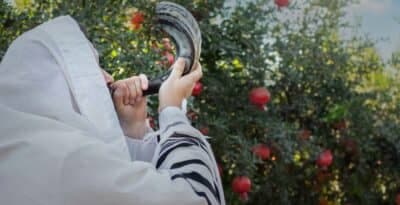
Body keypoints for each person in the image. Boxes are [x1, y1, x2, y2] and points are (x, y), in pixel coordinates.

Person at [0, 16, 225, 205]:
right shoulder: (62, 160)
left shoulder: (22, 150)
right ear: (64, 77)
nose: (109, 78)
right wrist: (172, 112)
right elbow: (195, 196)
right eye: (94, 66)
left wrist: (133, 129)